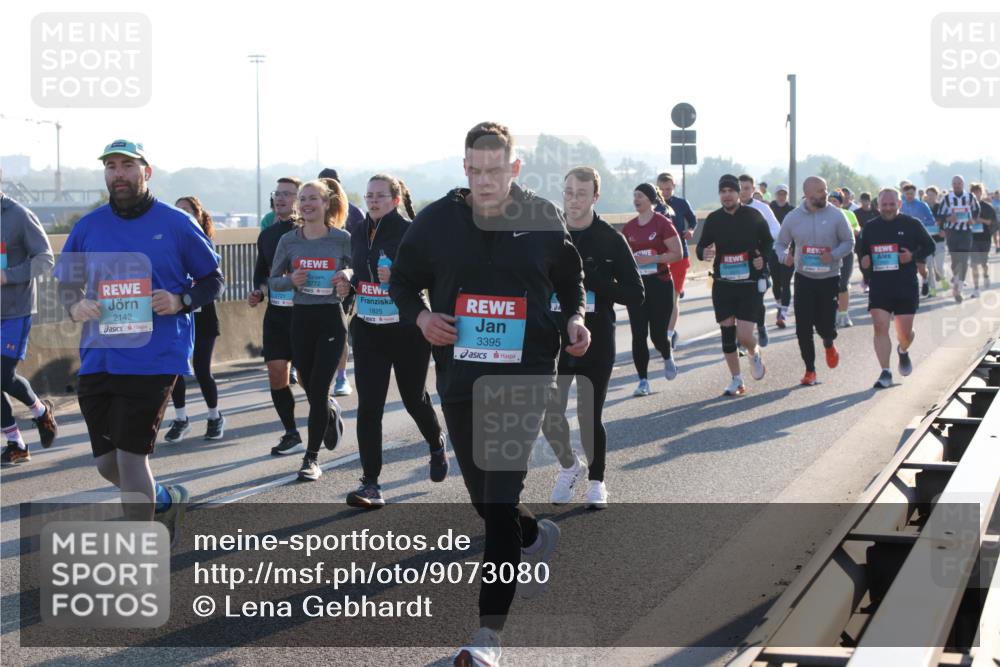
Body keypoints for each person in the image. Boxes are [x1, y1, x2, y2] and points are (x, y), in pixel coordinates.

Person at [390, 121, 590, 665]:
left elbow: (570, 280)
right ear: (465, 169)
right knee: (485, 501)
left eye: (494, 171)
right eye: (475, 171)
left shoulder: (543, 217)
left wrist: (574, 318)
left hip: (524, 375)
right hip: (459, 377)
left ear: (514, 169)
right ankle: (529, 534)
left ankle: (487, 637)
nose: (484, 181)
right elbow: (401, 281)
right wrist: (422, 315)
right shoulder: (435, 221)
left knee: (498, 496)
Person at [53, 139, 224, 545]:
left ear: (146, 172)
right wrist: (74, 306)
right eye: (111, 166)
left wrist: (181, 299)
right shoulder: (88, 226)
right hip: (99, 356)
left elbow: (212, 280)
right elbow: (66, 283)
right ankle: (165, 498)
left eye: (127, 166)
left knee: (131, 459)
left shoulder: (177, 223)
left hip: (154, 357)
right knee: (107, 465)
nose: (118, 174)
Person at [338, 173, 448, 508]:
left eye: (380, 196)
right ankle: (370, 483)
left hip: (406, 329)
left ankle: (436, 441)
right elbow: (361, 271)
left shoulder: (410, 231)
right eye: (369, 195)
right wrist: (348, 280)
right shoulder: (357, 232)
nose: (372, 200)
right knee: (369, 407)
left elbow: (434, 275)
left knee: (414, 399)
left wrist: (400, 273)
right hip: (370, 329)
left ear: (395, 200)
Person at [542, 167, 643, 508]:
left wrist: (596, 281)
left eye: (581, 193)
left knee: (589, 414)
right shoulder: (549, 234)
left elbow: (636, 293)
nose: (573, 199)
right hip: (553, 339)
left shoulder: (611, 239)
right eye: (569, 192)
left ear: (595, 197)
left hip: (596, 339)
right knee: (549, 414)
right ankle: (570, 466)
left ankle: (597, 480)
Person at [269, 179, 350, 481]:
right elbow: (273, 279)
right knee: (308, 383)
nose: (306, 204)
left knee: (318, 388)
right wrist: (291, 281)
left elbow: (359, 270)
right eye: (302, 199)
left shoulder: (342, 239)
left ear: (327, 203)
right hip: (300, 319)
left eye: (313, 198)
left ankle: (311, 458)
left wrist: (347, 275)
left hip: (330, 318)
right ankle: (328, 410)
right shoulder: (289, 241)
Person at [697, 175, 772, 396]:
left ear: (739, 193)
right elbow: (701, 246)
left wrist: (763, 259)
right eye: (723, 191)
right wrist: (704, 253)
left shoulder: (753, 216)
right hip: (723, 284)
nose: (727, 195)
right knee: (727, 333)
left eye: (731, 191)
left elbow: (768, 242)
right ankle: (736, 380)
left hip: (749, 284)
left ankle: (753, 351)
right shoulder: (713, 219)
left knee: (745, 335)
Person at [774, 177, 854, 385]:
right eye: (820, 191)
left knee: (825, 325)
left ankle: (828, 342)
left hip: (829, 278)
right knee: (803, 327)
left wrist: (834, 254)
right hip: (804, 278)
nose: (825, 193)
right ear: (808, 195)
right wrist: (785, 257)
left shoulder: (836, 215)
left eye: (825, 189)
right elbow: (780, 243)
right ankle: (810, 370)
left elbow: (849, 241)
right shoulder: (793, 217)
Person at [250, 177, 307, 455]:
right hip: (277, 315)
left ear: (299, 199)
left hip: (306, 313)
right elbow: (262, 275)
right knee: (276, 372)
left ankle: (326, 408)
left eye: (288, 194)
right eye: (277, 194)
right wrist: (259, 293)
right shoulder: (267, 235)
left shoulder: (310, 232)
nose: (281, 198)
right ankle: (291, 432)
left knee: (309, 378)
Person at [857, 188, 936, 388]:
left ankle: (903, 350)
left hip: (905, 285)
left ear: (899, 205)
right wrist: (864, 263)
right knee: (880, 326)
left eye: (892, 204)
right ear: (878, 206)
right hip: (880, 286)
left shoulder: (912, 224)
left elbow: (930, 246)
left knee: (905, 334)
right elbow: (862, 253)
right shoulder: (871, 227)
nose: (888, 208)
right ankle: (885, 372)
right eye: (884, 205)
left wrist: (912, 256)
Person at [1, 193, 57, 465]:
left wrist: (7, 274)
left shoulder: (19, 215)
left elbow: (45, 258)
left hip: (14, 312)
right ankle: (16, 444)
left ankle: (40, 410)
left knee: (2, 373)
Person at [163, 196, 225, 441]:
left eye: (187, 211)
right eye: (178, 211)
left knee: (201, 369)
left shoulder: (204, 246)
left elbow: (214, 282)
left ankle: (214, 416)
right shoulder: (168, 247)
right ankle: (181, 418)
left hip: (203, 317)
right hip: (177, 316)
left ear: (199, 216)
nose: (182, 216)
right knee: (175, 369)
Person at [624, 183, 683, 396]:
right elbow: (623, 258)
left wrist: (654, 258)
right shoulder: (629, 228)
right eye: (634, 196)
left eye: (640, 196)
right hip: (638, 286)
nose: (636, 200)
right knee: (638, 334)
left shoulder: (662, 223)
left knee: (658, 335)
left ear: (650, 199)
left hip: (660, 283)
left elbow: (677, 253)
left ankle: (667, 355)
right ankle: (643, 381)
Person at [317, 168, 364, 397]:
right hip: (313, 284)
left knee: (339, 328)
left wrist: (349, 273)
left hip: (343, 281)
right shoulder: (311, 212)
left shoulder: (354, 214)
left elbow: (361, 252)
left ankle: (341, 377)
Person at [738, 174, 781, 346]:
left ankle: (761, 326)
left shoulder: (762, 208)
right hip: (735, 262)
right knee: (737, 299)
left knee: (757, 298)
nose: (743, 191)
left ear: (753, 190)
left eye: (747, 188)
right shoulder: (729, 209)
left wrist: (759, 241)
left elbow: (777, 230)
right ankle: (740, 339)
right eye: (740, 188)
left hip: (758, 260)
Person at [655, 173, 697, 347]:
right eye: (661, 189)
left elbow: (693, 221)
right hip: (659, 258)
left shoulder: (681, 203)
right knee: (659, 300)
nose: (665, 192)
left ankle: (669, 335)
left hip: (680, 256)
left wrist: (691, 231)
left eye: (668, 189)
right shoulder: (651, 206)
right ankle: (665, 329)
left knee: (673, 299)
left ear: (674, 187)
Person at [937, 175, 981, 303]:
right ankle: (956, 280)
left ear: (963, 184)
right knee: (955, 260)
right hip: (952, 232)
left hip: (966, 231)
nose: (957, 185)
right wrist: (948, 218)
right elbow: (939, 214)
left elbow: (976, 209)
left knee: (964, 259)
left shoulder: (970, 197)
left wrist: (972, 219)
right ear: (952, 184)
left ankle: (959, 288)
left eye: (959, 183)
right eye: (955, 183)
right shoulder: (947, 198)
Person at [827, 190, 860, 327]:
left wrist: (846, 231)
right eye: (830, 201)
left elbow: (857, 231)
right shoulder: (823, 215)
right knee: (830, 284)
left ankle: (844, 314)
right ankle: (833, 312)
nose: (832, 204)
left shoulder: (848, 214)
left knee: (843, 284)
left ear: (840, 203)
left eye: (835, 201)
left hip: (846, 253)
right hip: (828, 254)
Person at [901, 183, 939, 298]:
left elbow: (931, 220)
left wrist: (919, 224)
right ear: (904, 194)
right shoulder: (901, 206)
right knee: (907, 267)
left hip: (920, 240)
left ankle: (927, 282)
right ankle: (909, 291)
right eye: (907, 194)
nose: (909, 196)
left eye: (911, 194)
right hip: (906, 240)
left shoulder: (922, 205)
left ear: (915, 193)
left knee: (923, 267)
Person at [769, 184, 795, 328]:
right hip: (772, 251)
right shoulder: (769, 209)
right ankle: (779, 304)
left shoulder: (792, 211)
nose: (782, 196)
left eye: (784, 194)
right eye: (779, 193)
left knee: (786, 283)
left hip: (788, 251)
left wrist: (793, 250)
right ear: (775, 194)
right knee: (776, 282)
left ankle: (783, 314)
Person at [969, 182, 996, 296]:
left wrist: (980, 220)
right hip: (972, 238)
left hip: (985, 237)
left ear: (982, 193)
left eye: (978, 192)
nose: (976, 194)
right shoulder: (968, 207)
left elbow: (991, 222)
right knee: (974, 264)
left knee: (984, 263)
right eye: (974, 192)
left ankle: (986, 275)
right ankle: (976, 288)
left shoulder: (987, 207)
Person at [924, 186, 950, 295]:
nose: (930, 197)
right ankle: (932, 290)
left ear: (937, 195)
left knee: (939, 266)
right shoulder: (923, 207)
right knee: (929, 266)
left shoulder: (941, 207)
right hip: (926, 241)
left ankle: (943, 279)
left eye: (933, 195)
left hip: (939, 239)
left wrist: (944, 230)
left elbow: (948, 220)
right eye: (929, 195)